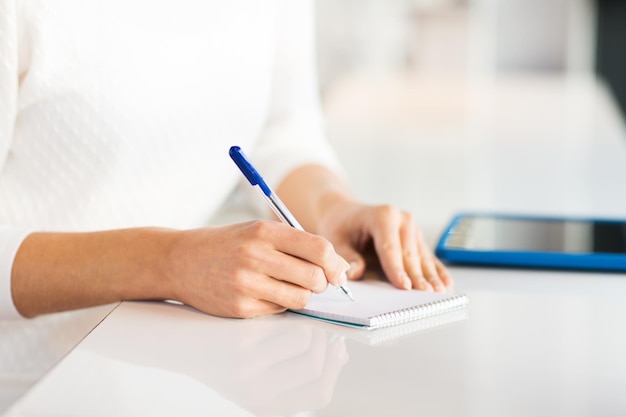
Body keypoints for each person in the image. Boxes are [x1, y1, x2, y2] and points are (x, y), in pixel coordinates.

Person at [0, 0, 451, 320]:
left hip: (197, 358)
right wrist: (167, 263)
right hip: (32, 385)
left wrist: (331, 208)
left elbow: (283, 133)